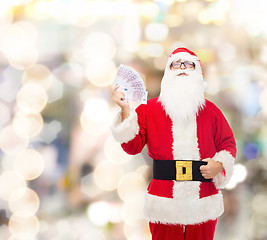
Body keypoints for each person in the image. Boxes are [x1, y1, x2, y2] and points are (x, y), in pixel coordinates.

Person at [111, 47, 236, 240]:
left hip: (202, 200)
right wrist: (125, 111)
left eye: (188, 65)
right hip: (164, 201)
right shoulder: (149, 110)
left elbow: (228, 144)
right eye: (176, 64)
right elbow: (131, 146)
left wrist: (219, 165)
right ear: (167, 73)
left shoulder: (211, 112)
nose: (182, 68)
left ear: (198, 73)